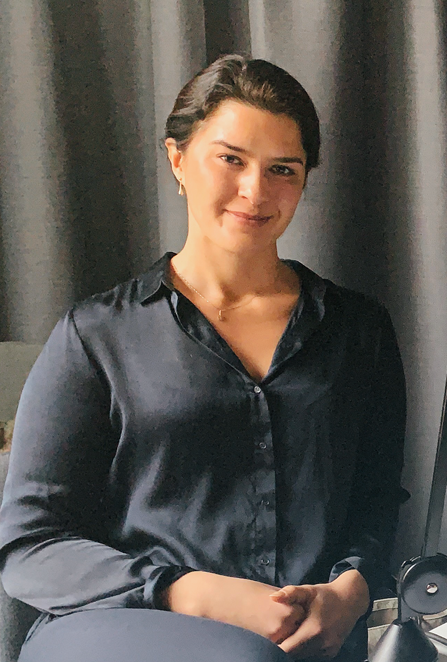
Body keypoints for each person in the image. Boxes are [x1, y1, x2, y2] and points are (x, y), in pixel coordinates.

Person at [0, 55, 408, 661]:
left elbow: (377, 500)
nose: (256, 190)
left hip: (308, 640)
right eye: (231, 159)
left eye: (283, 170)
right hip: (121, 625)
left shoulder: (358, 330)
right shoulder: (94, 336)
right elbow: (29, 549)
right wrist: (190, 593)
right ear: (177, 160)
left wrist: (351, 589)